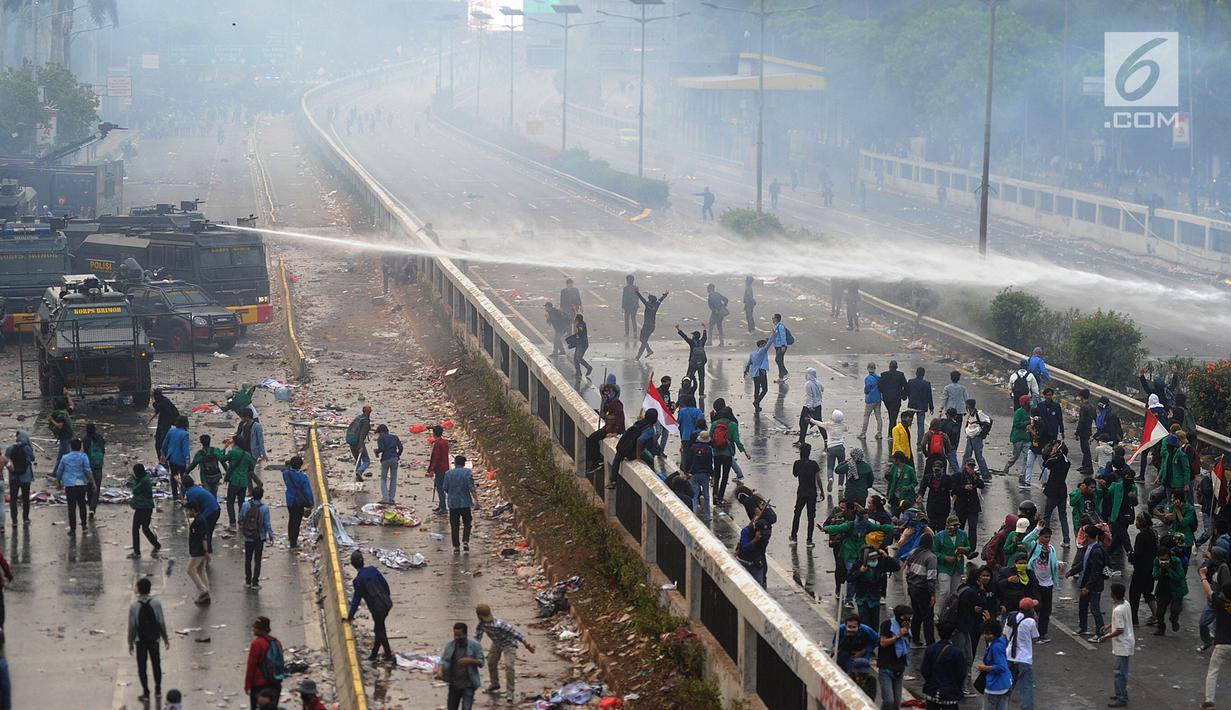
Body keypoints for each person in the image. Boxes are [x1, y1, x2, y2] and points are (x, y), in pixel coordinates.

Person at [474, 603, 536, 702]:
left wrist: (527, 645)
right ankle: (495, 684)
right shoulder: (481, 625)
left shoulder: (499, 624)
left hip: (509, 644)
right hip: (497, 644)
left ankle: (510, 691)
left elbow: (516, 634)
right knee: (491, 662)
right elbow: (477, 639)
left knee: (509, 666)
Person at [127, 577, 169, 702]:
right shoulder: (156, 603)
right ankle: (158, 690)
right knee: (156, 664)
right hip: (154, 639)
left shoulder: (134, 606)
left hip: (141, 641)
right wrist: (165, 637)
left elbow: (133, 626)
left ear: (138, 590)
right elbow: (160, 621)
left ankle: (146, 691)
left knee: (142, 666)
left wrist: (130, 642)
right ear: (150, 589)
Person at [347, 550, 393, 661]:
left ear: (352, 564)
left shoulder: (358, 581)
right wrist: (386, 598)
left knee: (380, 631)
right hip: (386, 604)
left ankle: (388, 656)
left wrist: (350, 616)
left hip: (377, 609)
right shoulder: (373, 570)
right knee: (378, 628)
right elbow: (385, 585)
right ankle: (374, 654)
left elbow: (356, 600)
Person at [1024, 527, 1062, 641]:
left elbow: (1053, 561)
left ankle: (1042, 634)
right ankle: (1030, 632)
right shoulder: (1034, 546)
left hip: (1048, 583)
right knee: (1036, 607)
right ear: (1039, 536)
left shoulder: (1051, 548)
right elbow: (1025, 540)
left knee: (1046, 610)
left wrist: (1059, 564)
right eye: (1045, 536)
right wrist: (1037, 529)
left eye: (1049, 537)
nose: (1047, 539)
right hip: (1036, 583)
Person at [1099, 582, 1134, 707]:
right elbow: (1120, 623)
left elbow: (1120, 629)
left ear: (1113, 594)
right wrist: (1109, 625)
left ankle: (1121, 697)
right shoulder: (1125, 604)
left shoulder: (1118, 609)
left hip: (1123, 644)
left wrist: (1105, 637)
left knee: (1120, 672)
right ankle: (1121, 692)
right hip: (1126, 642)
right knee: (1121, 671)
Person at [437, 622, 485, 710]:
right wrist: (440, 671)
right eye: (455, 635)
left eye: (459, 635)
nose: (456, 638)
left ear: (466, 634)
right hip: (454, 684)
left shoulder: (475, 646)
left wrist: (469, 660)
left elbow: (481, 662)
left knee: (466, 708)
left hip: (468, 684)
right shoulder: (450, 645)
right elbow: (444, 660)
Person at [851, 547, 902, 628]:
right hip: (862, 598)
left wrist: (886, 557)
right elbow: (850, 578)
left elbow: (897, 567)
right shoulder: (859, 564)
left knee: (875, 625)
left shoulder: (880, 564)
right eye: (870, 560)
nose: (873, 562)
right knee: (865, 625)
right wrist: (859, 572)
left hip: (874, 598)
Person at [921, 621, 966, 710]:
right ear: (952, 633)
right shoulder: (956, 652)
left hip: (932, 692)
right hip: (950, 694)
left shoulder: (930, 649)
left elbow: (925, 671)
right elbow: (961, 674)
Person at [1003, 597, 1039, 710]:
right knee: (1026, 687)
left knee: (1007, 685)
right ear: (1031, 609)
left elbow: (1006, 635)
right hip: (1024, 658)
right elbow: (1035, 639)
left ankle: (1001, 706)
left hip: (1009, 656)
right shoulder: (1031, 622)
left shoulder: (1011, 618)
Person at [710, 406, 748, 505]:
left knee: (717, 475)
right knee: (725, 476)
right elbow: (736, 440)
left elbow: (710, 436)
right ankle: (720, 497)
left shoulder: (715, 423)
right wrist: (744, 451)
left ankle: (714, 496)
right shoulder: (733, 425)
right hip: (727, 453)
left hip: (716, 453)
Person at [55, 438, 94, 535]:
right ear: (80, 447)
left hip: (69, 485)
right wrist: (92, 482)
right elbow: (87, 471)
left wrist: (59, 482)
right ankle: (84, 525)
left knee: (71, 507)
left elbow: (59, 471)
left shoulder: (65, 457)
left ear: (71, 447)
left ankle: (73, 529)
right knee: (82, 505)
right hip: (81, 484)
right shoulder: (84, 457)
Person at [878, 605, 913, 710]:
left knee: (896, 703)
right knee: (889, 700)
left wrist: (906, 633)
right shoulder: (887, 625)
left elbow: (907, 646)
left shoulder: (907, 628)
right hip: (886, 668)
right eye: (905, 617)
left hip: (899, 668)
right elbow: (883, 643)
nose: (907, 620)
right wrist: (898, 636)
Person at [244, 616, 285, 709]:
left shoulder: (257, 644)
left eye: (255, 627)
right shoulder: (276, 642)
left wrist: (247, 685)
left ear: (260, 629)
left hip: (259, 685)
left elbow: (251, 666)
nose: (253, 629)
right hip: (275, 683)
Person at [1077, 524, 1109, 638]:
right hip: (1087, 583)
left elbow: (1095, 572)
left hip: (1094, 586)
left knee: (1095, 609)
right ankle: (1083, 627)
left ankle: (1099, 632)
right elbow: (1084, 563)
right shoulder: (1090, 548)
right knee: (1083, 606)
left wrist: (1088, 587)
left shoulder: (1096, 551)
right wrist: (1072, 571)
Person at [907, 533, 939, 646]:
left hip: (912, 587)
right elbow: (931, 578)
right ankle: (930, 642)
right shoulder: (931, 557)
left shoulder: (913, 552)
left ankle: (915, 638)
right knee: (928, 617)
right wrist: (933, 594)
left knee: (917, 614)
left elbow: (908, 571)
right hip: (923, 590)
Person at [240, 487, 274, 590]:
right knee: (257, 560)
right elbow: (267, 524)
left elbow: (241, 518)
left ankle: (247, 581)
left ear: (252, 495)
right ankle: (255, 583)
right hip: (259, 537)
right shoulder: (264, 508)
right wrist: (271, 536)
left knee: (248, 559)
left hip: (248, 537)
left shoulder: (245, 505)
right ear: (261, 496)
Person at [789, 443, 822, 546]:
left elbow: (795, 474)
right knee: (811, 517)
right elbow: (818, 478)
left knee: (797, 514)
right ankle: (809, 540)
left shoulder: (797, 463)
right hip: (812, 493)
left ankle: (794, 536)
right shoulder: (814, 464)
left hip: (801, 492)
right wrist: (822, 491)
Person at [1040, 441, 1072, 546]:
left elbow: (1045, 460)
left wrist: (1051, 451)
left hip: (1053, 491)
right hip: (1062, 491)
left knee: (1047, 515)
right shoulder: (1067, 462)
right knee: (1063, 516)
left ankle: (1045, 538)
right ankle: (1066, 540)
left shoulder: (1053, 460)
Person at [1129, 513, 1158, 626]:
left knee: (1134, 594)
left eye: (1137, 521)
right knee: (1147, 593)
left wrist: (1132, 557)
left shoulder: (1141, 536)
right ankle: (1156, 615)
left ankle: (1133, 619)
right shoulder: (1152, 534)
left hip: (1141, 569)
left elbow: (1138, 554)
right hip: (1150, 568)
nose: (1136, 523)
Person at [126, 464, 161, 559]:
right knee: (145, 528)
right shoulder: (144, 478)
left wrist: (134, 481)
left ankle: (137, 552)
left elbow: (135, 490)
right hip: (147, 507)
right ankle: (156, 544)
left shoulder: (144, 481)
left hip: (143, 507)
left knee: (135, 529)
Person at [976, 620, 1013, 710]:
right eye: (985, 633)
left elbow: (1001, 667)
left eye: (988, 634)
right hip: (1005, 684)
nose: (986, 636)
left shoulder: (995, 648)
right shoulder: (1000, 641)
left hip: (995, 687)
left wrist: (984, 668)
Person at [1152, 542, 1187, 635]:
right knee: (1160, 611)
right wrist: (1161, 570)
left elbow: (1180, 576)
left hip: (1176, 588)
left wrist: (1169, 570)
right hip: (1163, 588)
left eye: (1166, 559)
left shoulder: (1176, 562)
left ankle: (1174, 620)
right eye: (1162, 559)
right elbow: (1155, 575)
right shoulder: (1156, 561)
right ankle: (1161, 628)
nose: (1164, 561)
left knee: (1175, 610)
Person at [444, 455, 476, 553]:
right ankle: (465, 541)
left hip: (453, 503)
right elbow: (471, 488)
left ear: (455, 463)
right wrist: (476, 501)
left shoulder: (448, 473)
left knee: (454, 525)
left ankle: (456, 547)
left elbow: (445, 488)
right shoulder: (467, 472)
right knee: (467, 522)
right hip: (465, 503)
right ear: (464, 463)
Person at [183, 474, 221, 552]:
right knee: (208, 532)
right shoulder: (196, 488)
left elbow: (194, 508)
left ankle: (204, 552)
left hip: (209, 513)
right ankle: (207, 550)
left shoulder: (190, 493)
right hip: (216, 509)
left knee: (203, 533)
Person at [222, 441, 256, 528]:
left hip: (234, 481)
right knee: (241, 502)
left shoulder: (232, 453)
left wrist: (224, 450)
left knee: (230, 502)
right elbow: (252, 467)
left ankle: (232, 522)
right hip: (243, 482)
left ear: (236, 444)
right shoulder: (247, 455)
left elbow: (222, 459)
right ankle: (241, 522)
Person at [282, 456, 313, 548]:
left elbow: (285, 470)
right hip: (298, 502)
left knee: (291, 519)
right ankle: (293, 541)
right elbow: (307, 491)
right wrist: (310, 503)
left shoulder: (286, 474)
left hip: (289, 500)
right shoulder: (302, 477)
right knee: (296, 521)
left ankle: (290, 537)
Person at [184, 501, 211, 605]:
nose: (187, 512)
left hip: (198, 551)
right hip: (200, 551)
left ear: (193, 510)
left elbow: (203, 537)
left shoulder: (198, 521)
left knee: (190, 570)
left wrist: (205, 551)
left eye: (188, 510)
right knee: (200, 570)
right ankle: (206, 590)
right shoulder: (200, 519)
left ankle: (203, 591)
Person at [159, 415, 191, 502]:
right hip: (181, 461)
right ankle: (182, 495)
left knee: (174, 476)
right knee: (184, 478)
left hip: (172, 458)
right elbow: (185, 450)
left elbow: (165, 444)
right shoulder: (185, 434)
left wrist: (163, 454)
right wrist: (188, 462)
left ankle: (174, 495)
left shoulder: (171, 431)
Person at [953, 460, 985, 547]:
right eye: (969, 466)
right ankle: (960, 546)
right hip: (961, 506)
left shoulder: (975, 475)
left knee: (972, 527)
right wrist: (964, 487)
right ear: (965, 466)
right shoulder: (958, 475)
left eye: (972, 466)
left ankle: (971, 547)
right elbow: (954, 488)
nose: (971, 468)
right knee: (960, 527)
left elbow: (982, 485)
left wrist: (975, 478)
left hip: (973, 506)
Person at [5, 432, 33, 527]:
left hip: (13, 477)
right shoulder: (27, 448)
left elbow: (6, 460)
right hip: (26, 478)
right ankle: (25, 518)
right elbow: (32, 458)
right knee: (26, 499)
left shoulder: (10, 448)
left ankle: (14, 521)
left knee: (13, 499)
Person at [687, 430, 715, 522]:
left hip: (694, 474)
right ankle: (707, 516)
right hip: (705, 474)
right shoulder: (708, 449)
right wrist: (712, 475)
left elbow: (688, 461)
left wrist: (686, 472)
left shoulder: (693, 447)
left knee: (694, 495)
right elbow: (709, 464)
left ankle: (693, 515)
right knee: (706, 496)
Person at [737, 517, 771, 588]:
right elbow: (744, 548)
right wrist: (755, 540)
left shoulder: (765, 536)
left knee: (759, 586)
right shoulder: (746, 531)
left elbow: (761, 551)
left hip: (756, 562)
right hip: (744, 562)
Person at [634, 289, 669, 359]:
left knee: (642, 339)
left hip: (646, 325)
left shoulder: (648, 304)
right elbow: (660, 300)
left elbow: (642, 299)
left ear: (650, 300)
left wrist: (637, 292)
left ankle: (649, 350)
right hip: (652, 326)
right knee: (645, 341)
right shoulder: (656, 304)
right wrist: (665, 295)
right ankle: (638, 356)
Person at [963, 399, 993, 481]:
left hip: (976, 438)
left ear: (969, 406)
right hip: (970, 438)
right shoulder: (970, 414)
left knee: (978, 457)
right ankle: (963, 474)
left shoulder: (979, 414)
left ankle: (986, 475)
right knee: (966, 455)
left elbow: (989, 421)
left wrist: (983, 434)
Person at [374, 424, 403, 505]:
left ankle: (385, 498)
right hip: (394, 458)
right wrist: (397, 455)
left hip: (385, 459)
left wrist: (376, 451)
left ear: (381, 432)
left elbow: (382, 449)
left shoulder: (381, 438)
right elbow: (401, 448)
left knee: (383, 479)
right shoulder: (395, 437)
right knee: (393, 479)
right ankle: (391, 498)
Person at [1004, 395, 1032, 480]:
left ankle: (1023, 474)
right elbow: (1016, 424)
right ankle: (1008, 466)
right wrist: (1027, 422)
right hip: (1018, 437)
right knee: (1015, 456)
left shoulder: (1030, 411)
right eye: (1028, 401)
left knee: (1027, 457)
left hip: (1027, 438)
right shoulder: (1019, 412)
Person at [677, 325, 709, 397]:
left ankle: (686, 392)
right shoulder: (702, 342)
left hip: (692, 364)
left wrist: (678, 329)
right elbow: (705, 337)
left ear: (694, 336)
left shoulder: (692, 343)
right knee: (701, 379)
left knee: (688, 378)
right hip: (701, 364)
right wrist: (705, 329)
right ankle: (701, 394)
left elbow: (685, 337)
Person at [908, 367, 934, 451]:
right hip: (921, 407)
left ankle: (907, 440)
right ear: (923, 374)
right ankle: (919, 443)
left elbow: (908, 392)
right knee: (921, 426)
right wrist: (931, 407)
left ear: (916, 373)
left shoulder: (911, 382)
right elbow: (929, 396)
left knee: (908, 425)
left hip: (912, 406)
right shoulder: (926, 384)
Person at [743, 338, 772, 413]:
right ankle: (756, 402)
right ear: (761, 345)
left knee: (757, 390)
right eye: (764, 344)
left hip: (755, 374)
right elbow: (768, 345)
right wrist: (772, 336)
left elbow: (749, 363)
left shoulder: (752, 354)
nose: (765, 346)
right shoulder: (762, 351)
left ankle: (757, 406)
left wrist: (746, 371)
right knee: (765, 389)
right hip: (761, 372)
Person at [885, 450, 917, 516]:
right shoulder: (894, 468)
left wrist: (908, 487)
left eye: (893, 459)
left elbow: (915, 482)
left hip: (905, 498)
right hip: (895, 498)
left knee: (907, 517)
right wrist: (887, 475)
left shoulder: (909, 470)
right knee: (894, 517)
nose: (892, 460)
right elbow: (891, 480)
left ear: (898, 460)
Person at [796, 367, 823, 445]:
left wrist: (809, 407)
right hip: (818, 405)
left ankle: (801, 440)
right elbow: (822, 389)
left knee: (802, 423)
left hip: (809, 406)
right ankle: (826, 439)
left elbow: (809, 396)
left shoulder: (808, 384)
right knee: (819, 423)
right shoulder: (817, 382)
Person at [83, 422, 105, 516]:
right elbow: (103, 450)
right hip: (98, 466)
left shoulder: (85, 439)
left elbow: (83, 452)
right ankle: (93, 508)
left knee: (89, 486)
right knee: (97, 487)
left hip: (88, 467)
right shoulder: (100, 438)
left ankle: (90, 505)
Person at [150, 388, 179, 459]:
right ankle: (162, 458)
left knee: (162, 442)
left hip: (166, 422)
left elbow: (157, 406)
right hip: (163, 422)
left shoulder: (164, 402)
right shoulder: (163, 400)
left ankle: (164, 459)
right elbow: (158, 408)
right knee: (158, 443)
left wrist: (153, 401)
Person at [878, 361, 909, 428]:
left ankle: (891, 432)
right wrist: (903, 395)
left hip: (887, 399)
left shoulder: (884, 375)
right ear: (896, 367)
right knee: (893, 416)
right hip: (896, 399)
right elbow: (906, 386)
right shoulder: (900, 375)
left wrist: (884, 392)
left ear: (889, 367)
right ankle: (891, 433)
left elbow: (879, 386)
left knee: (891, 415)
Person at [346, 405, 373, 481]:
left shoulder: (358, 418)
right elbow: (362, 434)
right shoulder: (365, 422)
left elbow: (350, 428)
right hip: (358, 443)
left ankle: (358, 476)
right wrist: (361, 446)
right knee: (366, 460)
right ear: (369, 412)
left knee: (358, 460)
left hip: (351, 442)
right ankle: (359, 471)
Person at [428, 425, 450, 514]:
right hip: (445, 467)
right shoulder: (444, 442)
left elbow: (436, 457)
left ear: (434, 433)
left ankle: (443, 507)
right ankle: (441, 506)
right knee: (441, 487)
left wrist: (432, 469)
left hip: (440, 469)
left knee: (440, 488)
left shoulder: (437, 444)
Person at [860, 363, 883, 440]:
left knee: (866, 416)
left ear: (868, 368)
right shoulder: (878, 378)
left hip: (870, 400)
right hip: (878, 399)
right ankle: (879, 433)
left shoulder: (868, 378)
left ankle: (863, 433)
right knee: (878, 417)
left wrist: (866, 391)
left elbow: (867, 389)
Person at [1076, 388, 1096, 474]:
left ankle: (1088, 467)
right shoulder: (1092, 406)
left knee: (1085, 449)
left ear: (1081, 396)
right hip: (1088, 430)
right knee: (1085, 448)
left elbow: (1081, 421)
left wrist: (1077, 432)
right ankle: (1084, 465)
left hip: (1083, 431)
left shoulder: (1083, 407)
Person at [569, 313, 592, 378]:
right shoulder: (579, 324)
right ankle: (578, 373)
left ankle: (589, 367)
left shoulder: (581, 324)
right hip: (579, 344)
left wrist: (577, 327)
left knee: (578, 358)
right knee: (575, 359)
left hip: (583, 344)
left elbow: (581, 330)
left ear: (577, 319)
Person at [770, 313, 790, 381]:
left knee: (778, 359)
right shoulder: (775, 326)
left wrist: (783, 345)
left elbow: (783, 336)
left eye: (773, 318)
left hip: (781, 346)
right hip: (777, 346)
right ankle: (781, 377)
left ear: (776, 319)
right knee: (780, 360)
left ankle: (785, 372)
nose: (772, 319)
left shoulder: (780, 326)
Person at [621, 274, 639, 340]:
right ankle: (635, 333)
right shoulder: (636, 288)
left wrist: (623, 306)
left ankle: (627, 333)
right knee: (633, 319)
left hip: (627, 306)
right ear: (633, 280)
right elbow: (637, 297)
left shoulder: (625, 288)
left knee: (627, 320)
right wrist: (636, 305)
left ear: (627, 281)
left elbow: (624, 298)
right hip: (634, 306)